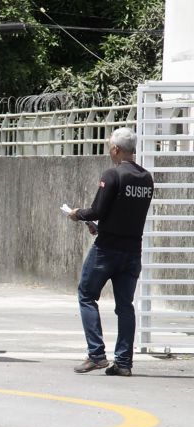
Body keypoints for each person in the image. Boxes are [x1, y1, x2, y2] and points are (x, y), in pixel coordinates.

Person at [68, 127, 154, 377]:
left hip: (107, 250)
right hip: (132, 251)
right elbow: (128, 213)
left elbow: (97, 210)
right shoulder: (146, 178)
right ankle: (124, 362)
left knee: (86, 294)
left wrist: (77, 215)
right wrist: (101, 225)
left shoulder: (113, 174)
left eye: (109, 146)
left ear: (116, 149)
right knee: (125, 305)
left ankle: (96, 355)